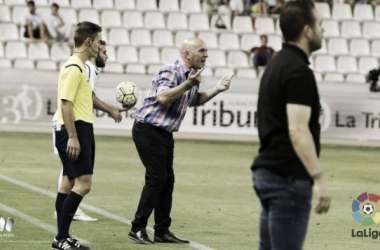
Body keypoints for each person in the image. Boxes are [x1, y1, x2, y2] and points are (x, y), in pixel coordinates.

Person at [128, 38, 234, 245]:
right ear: (187, 54)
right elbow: (163, 98)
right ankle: (137, 228)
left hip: (164, 132)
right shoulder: (171, 70)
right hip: (148, 129)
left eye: (207, 50)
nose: (206, 54)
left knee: (167, 181)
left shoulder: (193, 75)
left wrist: (217, 89)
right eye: (202, 50)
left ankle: (162, 231)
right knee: (158, 178)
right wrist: (187, 84)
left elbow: (195, 100)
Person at [251, 1, 331, 250]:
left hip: (268, 174)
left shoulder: (275, 65)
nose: (323, 30)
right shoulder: (298, 71)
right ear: (307, 30)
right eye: (319, 25)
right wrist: (318, 179)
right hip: (288, 179)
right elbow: (297, 130)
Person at [52, 39, 124, 224]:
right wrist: (110, 110)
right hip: (71, 124)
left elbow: (88, 96)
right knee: (74, 174)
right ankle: (69, 214)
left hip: (69, 122)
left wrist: (110, 108)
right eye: (104, 52)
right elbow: (86, 98)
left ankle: (64, 224)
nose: (106, 56)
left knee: (70, 173)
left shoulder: (87, 68)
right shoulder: (87, 68)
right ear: (94, 49)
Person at [52, 21, 102, 250]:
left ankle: (63, 236)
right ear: (88, 41)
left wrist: (110, 109)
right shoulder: (74, 67)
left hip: (82, 128)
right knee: (84, 184)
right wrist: (73, 136)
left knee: (68, 183)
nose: (100, 47)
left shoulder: (79, 67)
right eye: (99, 42)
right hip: (75, 130)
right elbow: (65, 103)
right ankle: (61, 239)